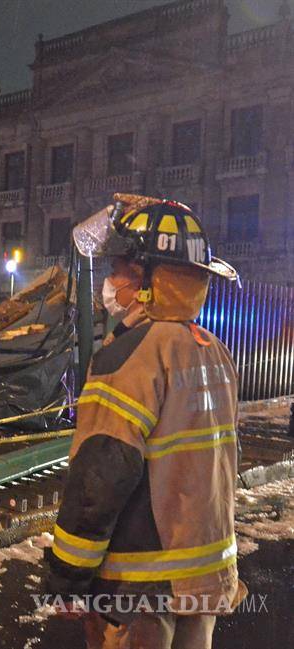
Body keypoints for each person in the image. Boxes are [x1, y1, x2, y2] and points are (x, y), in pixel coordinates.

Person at [44, 194, 246, 649]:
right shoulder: (212, 350)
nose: (111, 281)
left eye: (119, 270)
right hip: (204, 581)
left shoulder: (129, 357)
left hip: (142, 586)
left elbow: (100, 475)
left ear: (150, 281)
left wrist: (67, 576)